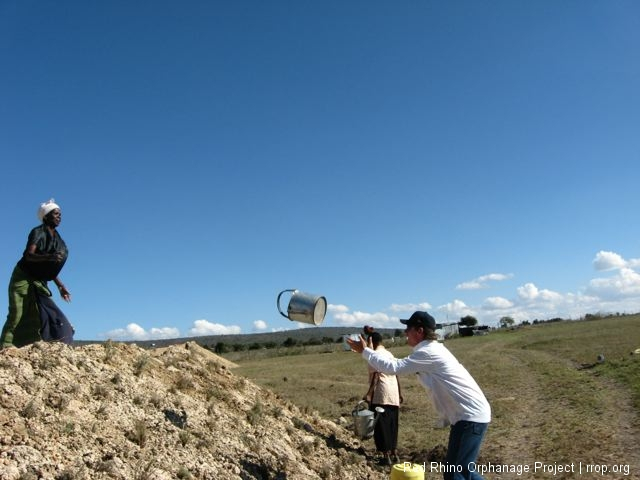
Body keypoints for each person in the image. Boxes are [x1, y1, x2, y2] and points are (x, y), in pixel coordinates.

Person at [348, 311, 491, 480]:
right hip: (467, 416)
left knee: (456, 473)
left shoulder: (429, 352)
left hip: (469, 416)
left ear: (419, 331)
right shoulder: (429, 350)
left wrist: (365, 351)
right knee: (461, 471)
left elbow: (393, 367)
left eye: (408, 328)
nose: (405, 332)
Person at [1, 199, 73, 349]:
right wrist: (49, 257)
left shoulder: (57, 239)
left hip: (39, 280)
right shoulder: (38, 232)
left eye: (60, 214)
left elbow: (48, 267)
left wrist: (60, 286)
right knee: (17, 313)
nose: (59, 217)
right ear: (46, 216)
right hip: (22, 277)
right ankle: (5, 347)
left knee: (39, 313)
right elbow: (28, 255)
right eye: (55, 214)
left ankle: (29, 346)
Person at [365, 331, 402, 466]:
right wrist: (400, 392)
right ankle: (394, 453)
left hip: (381, 393)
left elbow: (375, 376)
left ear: (371, 342)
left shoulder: (374, 356)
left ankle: (386, 456)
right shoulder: (389, 354)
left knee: (381, 426)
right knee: (392, 424)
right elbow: (396, 374)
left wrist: (369, 394)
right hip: (393, 393)